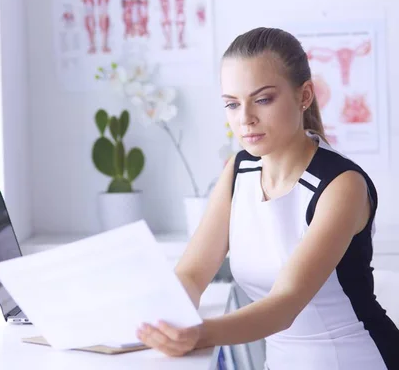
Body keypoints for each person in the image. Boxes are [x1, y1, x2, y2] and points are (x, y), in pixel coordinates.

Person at [135, 27, 399, 369]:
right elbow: (192, 273)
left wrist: (198, 333)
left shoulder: (342, 185)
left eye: (262, 99)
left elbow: (286, 304)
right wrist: (164, 322)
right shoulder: (238, 170)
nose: (244, 119)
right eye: (232, 104)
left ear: (304, 96)